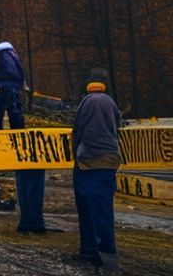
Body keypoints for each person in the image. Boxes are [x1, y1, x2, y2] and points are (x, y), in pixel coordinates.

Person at [0, 43, 44, 233]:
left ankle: (3, 129)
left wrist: (3, 82)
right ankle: (15, 128)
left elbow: (10, 72)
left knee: (4, 110)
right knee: (12, 110)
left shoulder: (5, 57)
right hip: (11, 86)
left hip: (7, 86)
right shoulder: (13, 54)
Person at [73, 80, 121, 271]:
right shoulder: (111, 102)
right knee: (102, 209)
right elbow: (117, 124)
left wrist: (75, 153)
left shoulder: (86, 103)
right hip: (109, 159)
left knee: (88, 206)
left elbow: (78, 128)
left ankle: (96, 251)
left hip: (89, 160)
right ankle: (102, 249)